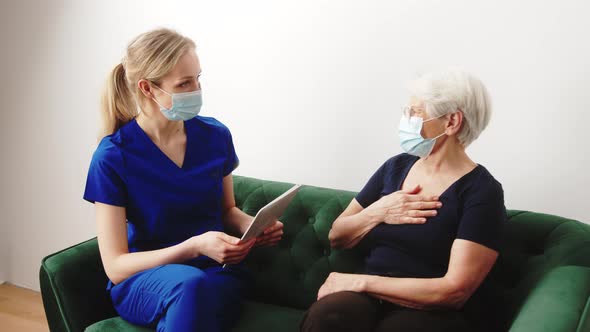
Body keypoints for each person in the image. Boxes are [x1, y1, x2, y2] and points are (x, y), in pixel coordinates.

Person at [83, 28, 283, 332]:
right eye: (185, 83)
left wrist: (252, 226)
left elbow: (227, 210)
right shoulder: (113, 156)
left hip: (216, 273)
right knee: (190, 288)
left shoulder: (216, 136)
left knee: (197, 296)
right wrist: (194, 247)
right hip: (145, 279)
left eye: (198, 78)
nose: (196, 90)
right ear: (148, 89)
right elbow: (116, 266)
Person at [301, 69, 507, 332]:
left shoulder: (482, 191)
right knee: (329, 317)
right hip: (367, 297)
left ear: (452, 122)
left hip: (429, 307)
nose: (405, 120)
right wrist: (378, 212)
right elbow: (337, 236)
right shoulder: (396, 167)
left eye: (415, 112)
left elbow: (454, 291)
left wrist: (361, 282)